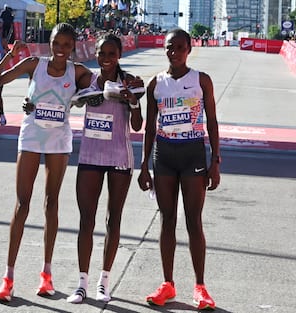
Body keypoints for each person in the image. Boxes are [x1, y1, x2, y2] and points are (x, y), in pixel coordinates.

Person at [0, 22, 93, 302]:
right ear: (50, 42)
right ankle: (7, 279)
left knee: (51, 204)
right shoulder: (34, 63)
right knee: (22, 205)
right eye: (57, 43)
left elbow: (98, 90)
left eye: (67, 45)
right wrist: (10, 55)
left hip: (59, 141)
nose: (61, 50)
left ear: (73, 47)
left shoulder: (78, 71)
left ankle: (46, 275)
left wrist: (81, 100)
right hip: (31, 136)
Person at [137, 28, 220, 310]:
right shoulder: (155, 83)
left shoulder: (202, 80)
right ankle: (167, 284)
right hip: (164, 155)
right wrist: (144, 165)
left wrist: (216, 161)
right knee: (167, 220)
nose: (174, 52)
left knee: (193, 221)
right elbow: (149, 127)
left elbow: (212, 123)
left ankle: (200, 286)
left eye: (180, 47)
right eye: (170, 47)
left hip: (193, 152)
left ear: (190, 49)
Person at [66, 33, 144, 304]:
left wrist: (130, 100)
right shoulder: (88, 81)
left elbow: (137, 125)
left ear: (119, 55)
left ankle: (104, 282)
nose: (106, 58)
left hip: (119, 158)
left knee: (114, 220)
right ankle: (82, 283)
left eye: (111, 54)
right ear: (95, 54)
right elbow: (68, 98)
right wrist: (84, 98)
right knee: (86, 220)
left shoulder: (129, 81)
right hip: (90, 155)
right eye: (101, 53)